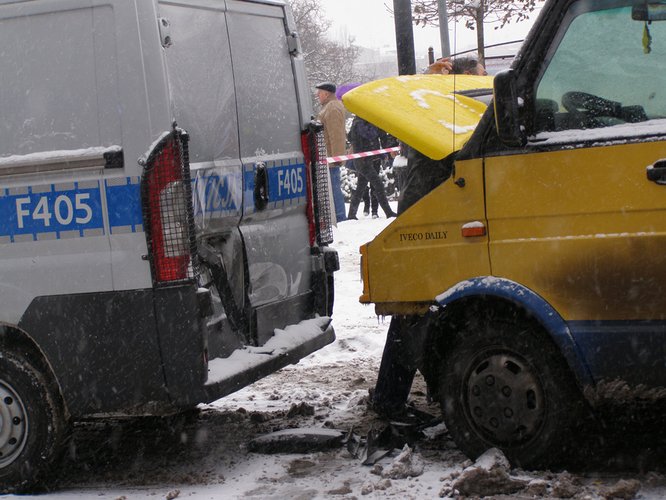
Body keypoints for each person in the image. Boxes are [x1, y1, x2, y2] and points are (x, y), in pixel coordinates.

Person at [371, 57, 487, 420]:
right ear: (465, 79)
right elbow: (417, 104)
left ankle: (394, 397)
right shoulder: (446, 111)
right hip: (427, 216)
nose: (486, 83)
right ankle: (391, 400)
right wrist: (432, 79)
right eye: (480, 76)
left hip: (438, 211)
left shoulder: (457, 111)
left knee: (419, 311)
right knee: (415, 311)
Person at [346, 115, 397, 220]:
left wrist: (384, 152)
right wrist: (362, 156)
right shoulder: (358, 123)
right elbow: (353, 139)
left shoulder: (372, 120)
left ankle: (351, 214)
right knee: (378, 185)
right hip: (362, 161)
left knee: (361, 187)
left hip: (369, 159)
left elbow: (381, 137)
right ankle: (388, 212)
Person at [316, 82, 347, 223]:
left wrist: (336, 157)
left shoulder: (332, 108)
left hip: (330, 158)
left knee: (334, 188)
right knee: (332, 188)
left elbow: (336, 135)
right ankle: (337, 216)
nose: (317, 95)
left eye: (320, 92)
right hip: (328, 156)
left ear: (327, 93)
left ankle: (340, 217)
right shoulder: (329, 107)